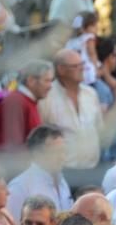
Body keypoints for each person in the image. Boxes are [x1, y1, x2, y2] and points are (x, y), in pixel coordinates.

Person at [38, 49, 103, 181]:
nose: (82, 69)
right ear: (61, 70)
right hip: (63, 172)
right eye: (75, 66)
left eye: (82, 64)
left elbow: (99, 128)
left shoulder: (91, 94)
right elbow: (40, 137)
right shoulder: (46, 98)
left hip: (92, 169)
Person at [7, 126, 73, 221]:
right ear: (37, 153)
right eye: (55, 152)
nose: (62, 157)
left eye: (63, 151)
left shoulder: (62, 182)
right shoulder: (19, 187)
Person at [0, 60, 54, 152]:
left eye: (51, 81)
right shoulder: (15, 103)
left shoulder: (27, 101)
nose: (50, 86)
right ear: (31, 80)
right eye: (47, 80)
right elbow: (12, 149)